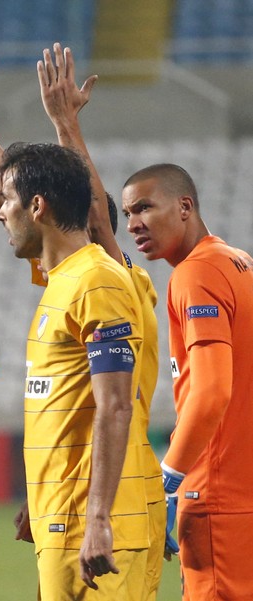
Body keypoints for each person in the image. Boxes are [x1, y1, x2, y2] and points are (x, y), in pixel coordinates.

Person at [0, 24, 161, 598]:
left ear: (42, 208)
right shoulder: (64, 278)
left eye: (12, 205)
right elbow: (5, 189)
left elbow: (111, 408)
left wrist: (99, 517)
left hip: (99, 525)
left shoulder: (104, 280)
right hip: (67, 517)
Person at [121, 163, 253, 600]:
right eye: (126, 214)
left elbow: (212, 390)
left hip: (218, 496)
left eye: (144, 207)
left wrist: (169, 481)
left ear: (184, 207)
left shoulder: (196, 273)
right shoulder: (241, 264)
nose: (133, 224)